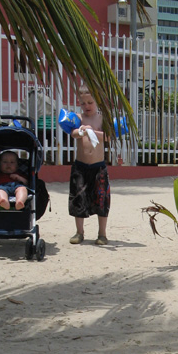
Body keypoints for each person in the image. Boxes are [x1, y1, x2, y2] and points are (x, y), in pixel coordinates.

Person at [68, 84, 110, 245]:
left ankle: (102, 233)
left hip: (98, 166)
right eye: (83, 103)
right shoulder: (78, 118)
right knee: (78, 198)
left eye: (90, 102)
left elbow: (108, 137)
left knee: (102, 199)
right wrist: (82, 131)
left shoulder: (101, 118)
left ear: (97, 101)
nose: (87, 106)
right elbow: (73, 133)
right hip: (81, 166)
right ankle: (79, 232)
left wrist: (93, 131)